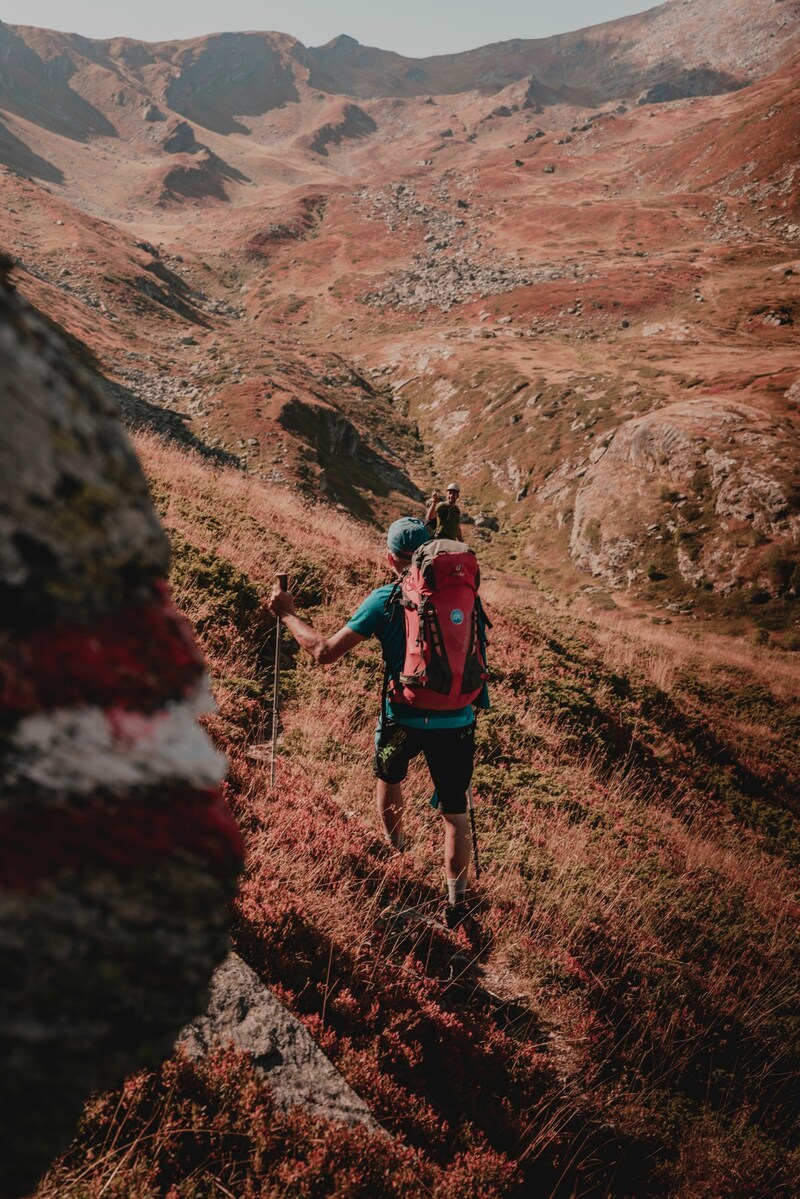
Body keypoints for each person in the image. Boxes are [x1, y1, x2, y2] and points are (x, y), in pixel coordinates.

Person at [267, 517, 488, 926]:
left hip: (401, 716)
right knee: (455, 815)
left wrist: (287, 615)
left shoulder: (384, 599)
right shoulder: (464, 595)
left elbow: (324, 653)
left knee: (390, 781)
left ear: (390, 557)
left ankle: (396, 853)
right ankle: (457, 905)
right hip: (457, 721)